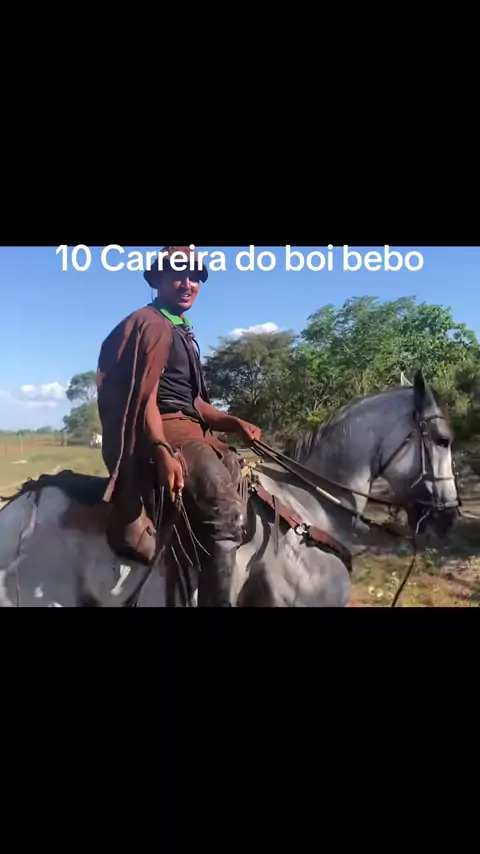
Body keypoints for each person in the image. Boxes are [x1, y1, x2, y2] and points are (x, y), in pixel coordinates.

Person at [96, 245, 261, 606]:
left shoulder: (181, 331)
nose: (188, 283)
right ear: (158, 280)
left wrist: (233, 421)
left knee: (244, 481)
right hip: (164, 428)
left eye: (195, 277)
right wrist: (160, 448)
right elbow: (145, 399)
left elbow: (195, 403)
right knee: (225, 511)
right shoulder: (151, 324)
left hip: (191, 427)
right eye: (178, 275)